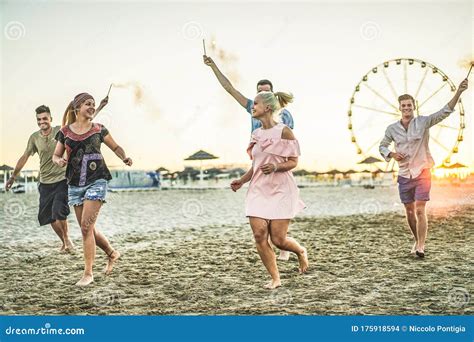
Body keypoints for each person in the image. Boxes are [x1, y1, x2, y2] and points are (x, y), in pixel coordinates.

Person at [203, 55, 293, 260]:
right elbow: (230, 89)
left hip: (278, 163)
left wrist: (280, 164)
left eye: (266, 91)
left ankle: (282, 243)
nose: (262, 94)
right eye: (259, 92)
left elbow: (289, 146)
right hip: (258, 159)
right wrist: (213, 66)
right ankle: (271, 239)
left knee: (279, 200)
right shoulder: (253, 106)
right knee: (261, 200)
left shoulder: (285, 115)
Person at [379, 79, 469, 258]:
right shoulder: (391, 129)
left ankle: (421, 246)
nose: (406, 108)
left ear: (414, 106)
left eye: (409, 105)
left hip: (423, 171)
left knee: (420, 209)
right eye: (403, 105)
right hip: (404, 174)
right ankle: (416, 239)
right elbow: (382, 146)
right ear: (399, 108)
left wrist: (459, 91)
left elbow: (445, 111)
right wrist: (391, 155)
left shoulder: (424, 122)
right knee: (410, 212)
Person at [6, 99, 108, 252]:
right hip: (44, 181)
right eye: (39, 119)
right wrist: (13, 176)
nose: (42, 122)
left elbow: (83, 122)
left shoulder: (60, 131)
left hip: (62, 179)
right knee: (49, 217)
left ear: (50, 119)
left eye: (45, 118)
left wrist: (99, 106)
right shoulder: (34, 138)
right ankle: (65, 241)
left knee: (58, 211)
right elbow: (25, 156)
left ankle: (67, 241)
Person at [230, 91, 308, 289]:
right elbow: (257, 164)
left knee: (279, 240)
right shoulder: (256, 134)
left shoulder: (284, 132)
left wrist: (275, 167)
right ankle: (275, 278)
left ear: (268, 108)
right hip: (258, 189)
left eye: (255, 103)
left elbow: (293, 162)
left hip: (281, 190)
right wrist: (242, 180)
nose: (252, 107)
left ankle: (300, 251)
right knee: (259, 235)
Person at [53, 92, 132, 286]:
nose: (91, 106)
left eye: (93, 104)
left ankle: (88, 273)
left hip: (97, 180)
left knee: (86, 228)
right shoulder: (65, 132)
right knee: (86, 228)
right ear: (77, 108)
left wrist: (124, 157)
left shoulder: (99, 129)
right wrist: (59, 160)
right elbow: (55, 155)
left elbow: (116, 147)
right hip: (74, 184)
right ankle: (112, 253)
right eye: (87, 104)